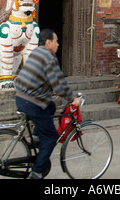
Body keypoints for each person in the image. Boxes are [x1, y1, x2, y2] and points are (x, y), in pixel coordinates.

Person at [15, 28, 81, 179]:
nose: (58, 45)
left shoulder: (36, 52)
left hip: (21, 97)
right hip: (32, 102)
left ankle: (37, 137)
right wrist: (72, 99)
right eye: (56, 41)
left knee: (51, 106)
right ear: (48, 42)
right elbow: (59, 82)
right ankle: (37, 172)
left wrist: (49, 89)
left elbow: (40, 75)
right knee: (51, 137)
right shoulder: (50, 57)